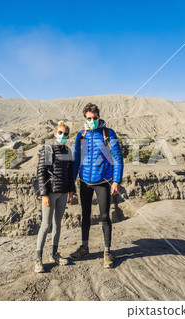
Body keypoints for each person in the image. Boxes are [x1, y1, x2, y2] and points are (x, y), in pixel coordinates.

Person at [70, 103, 124, 268]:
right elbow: (76, 159)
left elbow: (117, 158)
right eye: (89, 118)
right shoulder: (82, 135)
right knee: (85, 216)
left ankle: (107, 251)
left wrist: (116, 180)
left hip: (103, 182)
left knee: (105, 216)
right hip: (84, 181)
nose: (92, 120)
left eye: (95, 118)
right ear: (85, 118)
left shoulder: (108, 133)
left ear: (99, 117)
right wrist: (72, 182)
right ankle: (84, 247)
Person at [35, 121, 76, 273]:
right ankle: (38, 259)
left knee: (57, 223)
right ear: (55, 134)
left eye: (65, 134)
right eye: (60, 133)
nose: (63, 136)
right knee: (46, 225)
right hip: (50, 192)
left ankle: (54, 254)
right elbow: (41, 173)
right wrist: (44, 194)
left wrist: (72, 191)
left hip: (63, 192)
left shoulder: (68, 151)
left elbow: (70, 174)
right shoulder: (47, 149)